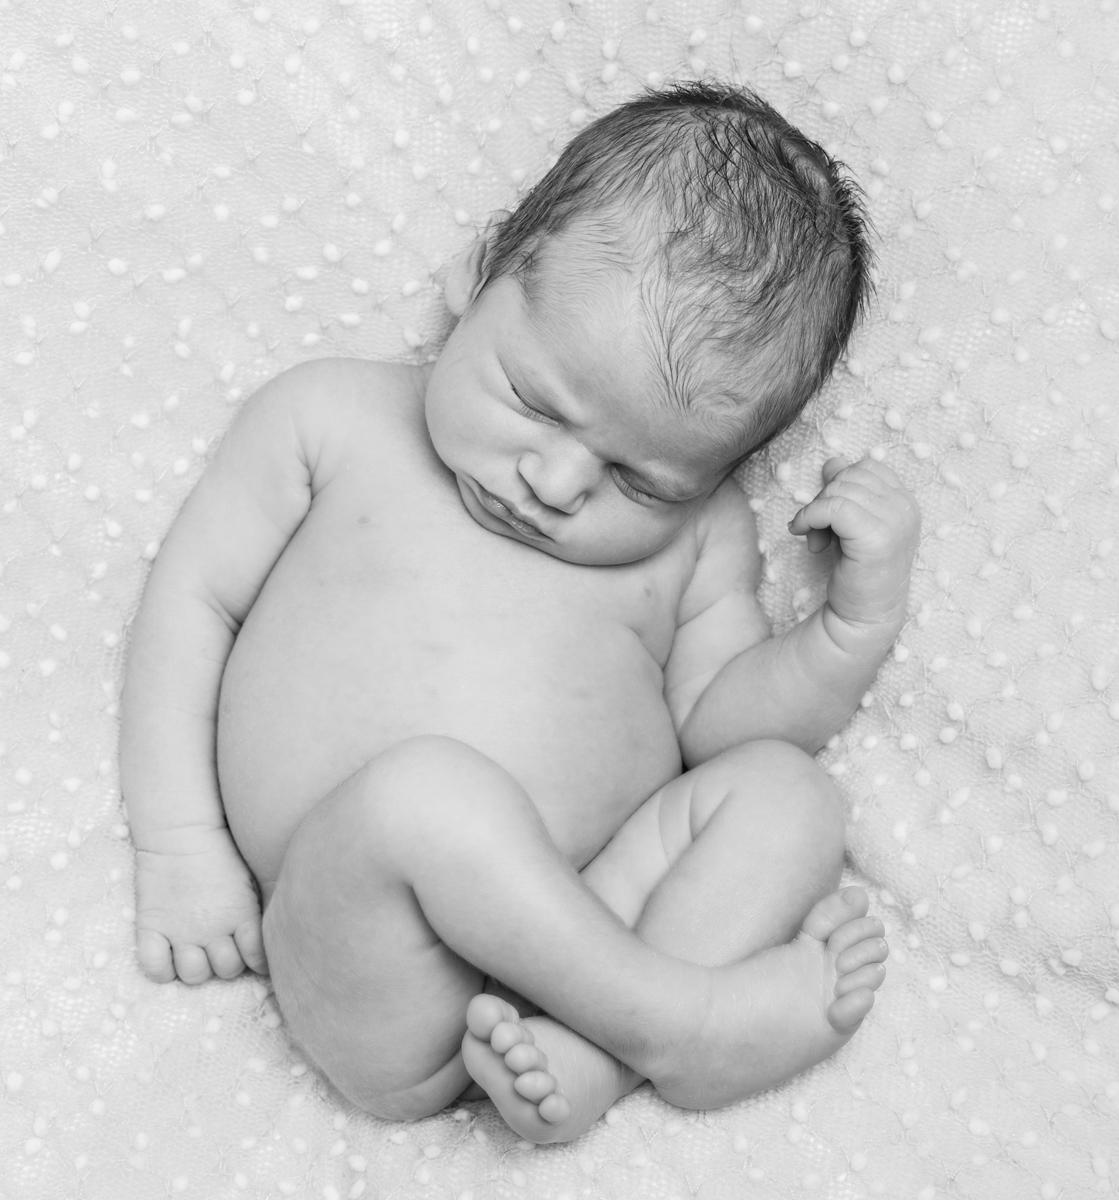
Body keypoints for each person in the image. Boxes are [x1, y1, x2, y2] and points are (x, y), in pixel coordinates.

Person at [118, 81, 919, 1144]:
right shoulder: (330, 419)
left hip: (596, 926)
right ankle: (675, 1025)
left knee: (792, 797)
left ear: (724, 472)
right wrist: (181, 849)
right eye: (536, 402)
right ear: (478, 273)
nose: (552, 478)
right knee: (425, 796)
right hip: (371, 956)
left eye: (639, 479)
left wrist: (847, 630)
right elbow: (190, 607)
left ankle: (591, 1058)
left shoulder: (699, 538)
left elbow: (722, 730)